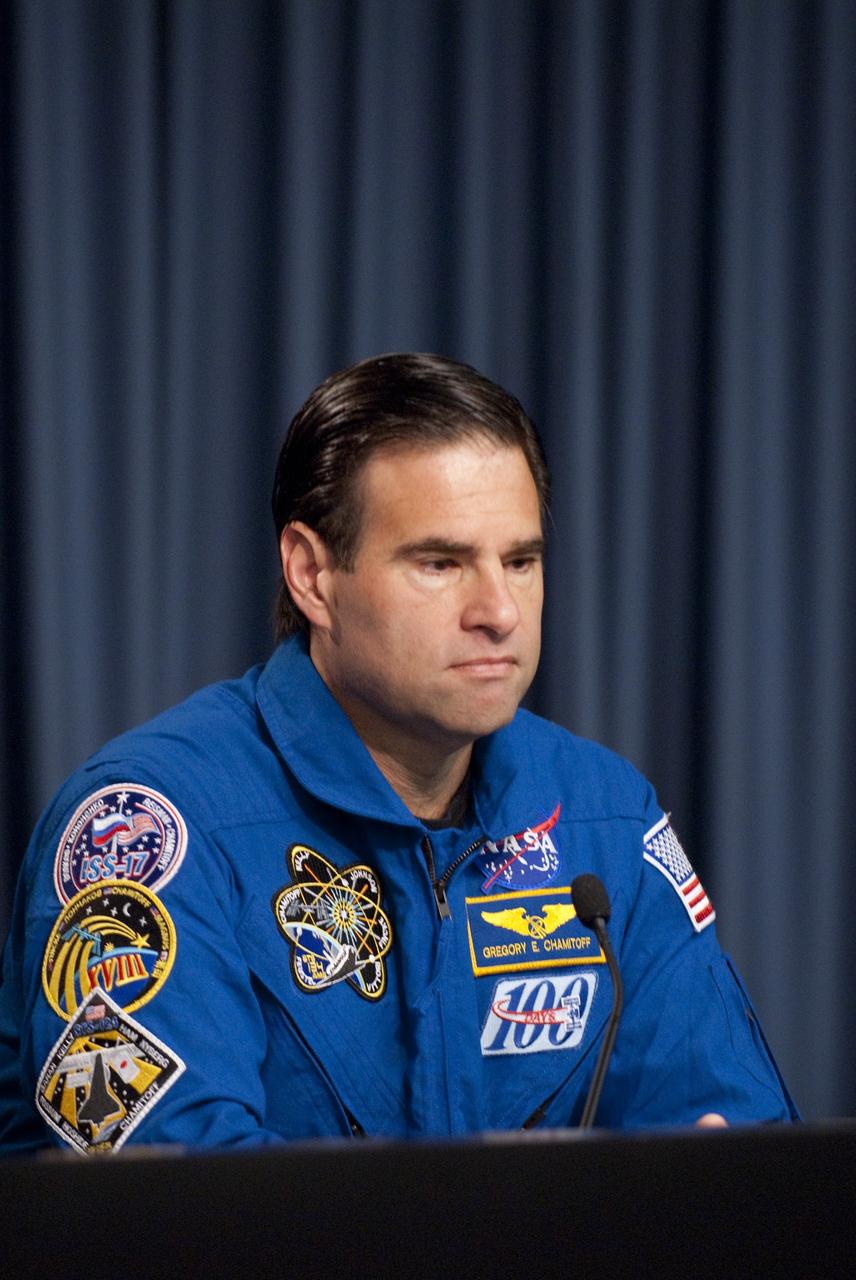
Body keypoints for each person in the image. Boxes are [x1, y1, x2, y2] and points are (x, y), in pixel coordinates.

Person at [0, 353, 796, 1154]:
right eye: (441, 564)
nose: (499, 612)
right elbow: (174, 1200)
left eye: (521, 562)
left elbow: (737, 1150)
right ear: (312, 575)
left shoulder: (605, 817)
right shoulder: (145, 827)